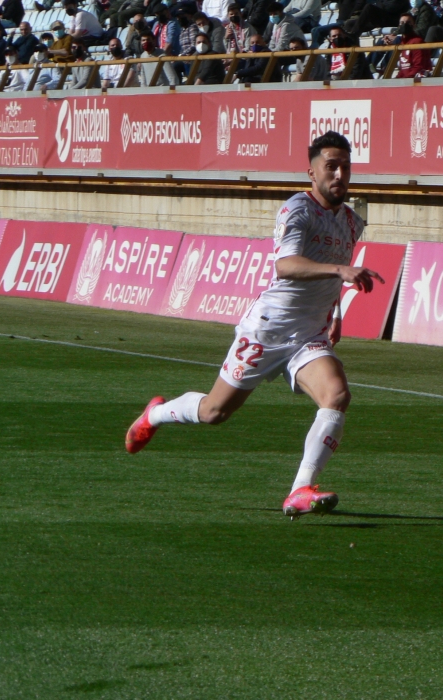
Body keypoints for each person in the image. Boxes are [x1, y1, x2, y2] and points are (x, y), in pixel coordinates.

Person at [126, 130, 384, 521]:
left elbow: (335, 277)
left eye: (345, 167)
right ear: (311, 173)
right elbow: (285, 265)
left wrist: (335, 313)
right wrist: (339, 269)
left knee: (336, 396)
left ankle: (300, 489)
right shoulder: (297, 210)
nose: (340, 174)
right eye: (331, 166)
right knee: (215, 412)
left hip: (308, 335)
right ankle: (155, 415)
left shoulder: (351, 221)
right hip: (268, 330)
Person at [306, 26, 372, 78]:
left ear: (344, 35)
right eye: (334, 36)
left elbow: (356, 71)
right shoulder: (329, 51)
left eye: (339, 35)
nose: (337, 37)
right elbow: (328, 70)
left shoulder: (355, 49)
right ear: (330, 39)